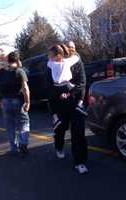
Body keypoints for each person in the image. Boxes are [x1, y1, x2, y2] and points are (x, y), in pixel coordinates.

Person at [47, 44, 88, 174]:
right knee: (60, 129)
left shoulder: (77, 62)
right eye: (68, 47)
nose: (70, 49)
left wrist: (71, 93)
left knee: (78, 134)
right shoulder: (52, 65)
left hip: (76, 103)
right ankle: (59, 147)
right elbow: (48, 86)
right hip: (59, 104)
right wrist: (55, 104)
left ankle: (80, 162)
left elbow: (82, 83)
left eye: (72, 47)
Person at [0, 51, 30, 155]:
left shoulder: (0, 72)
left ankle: (13, 148)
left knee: (10, 126)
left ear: (8, 60)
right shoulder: (19, 71)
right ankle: (23, 143)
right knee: (23, 123)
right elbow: (25, 88)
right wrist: (27, 102)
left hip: (5, 100)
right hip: (18, 100)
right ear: (18, 60)